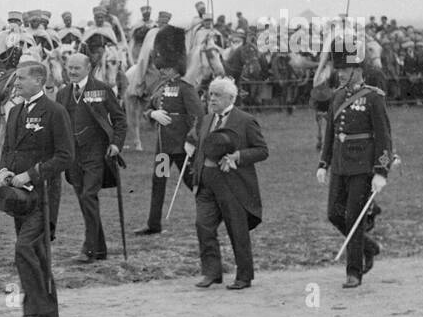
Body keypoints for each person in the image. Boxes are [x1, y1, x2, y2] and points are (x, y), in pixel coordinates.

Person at [0, 60, 74, 317]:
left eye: (21, 80)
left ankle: (31, 313)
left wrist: (31, 174)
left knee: (24, 249)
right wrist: (4, 169)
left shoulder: (55, 111)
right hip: (18, 197)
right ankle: (49, 314)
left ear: (39, 81)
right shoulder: (15, 111)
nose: (15, 84)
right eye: (16, 80)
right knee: (37, 252)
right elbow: (8, 148)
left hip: (42, 196)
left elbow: (65, 156)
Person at [317, 50, 392, 288]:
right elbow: (330, 134)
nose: (339, 74)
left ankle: (354, 272)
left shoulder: (373, 97)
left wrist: (381, 171)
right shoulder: (337, 96)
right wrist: (323, 163)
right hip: (340, 165)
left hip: (362, 166)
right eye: (338, 70)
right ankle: (369, 247)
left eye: (344, 70)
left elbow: (383, 138)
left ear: (357, 71)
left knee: (353, 218)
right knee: (334, 214)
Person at [186, 77, 268, 289]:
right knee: (203, 225)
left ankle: (244, 276)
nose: (211, 99)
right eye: (210, 94)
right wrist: (196, 179)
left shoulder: (246, 120)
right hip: (206, 185)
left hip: (233, 186)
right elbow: (200, 152)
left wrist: (237, 156)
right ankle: (212, 273)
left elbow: (262, 150)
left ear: (231, 98)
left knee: (237, 230)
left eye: (217, 95)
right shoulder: (206, 120)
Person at [135, 28, 203, 235]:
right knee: (158, 182)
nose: (162, 71)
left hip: (182, 148)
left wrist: (192, 140)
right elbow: (149, 108)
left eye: (166, 67)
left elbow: (199, 116)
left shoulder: (186, 88)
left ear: (176, 67)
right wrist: (152, 115)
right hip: (164, 149)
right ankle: (153, 224)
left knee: (193, 183)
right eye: (162, 67)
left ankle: (215, 214)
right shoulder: (160, 87)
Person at [61, 51, 125, 263]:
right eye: (70, 67)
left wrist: (116, 144)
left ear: (88, 68)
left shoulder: (102, 89)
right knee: (84, 199)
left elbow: (119, 119)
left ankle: (88, 249)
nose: (72, 71)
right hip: (73, 156)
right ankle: (100, 249)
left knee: (89, 196)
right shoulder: (63, 94)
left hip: (96, 153)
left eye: (76, 68)